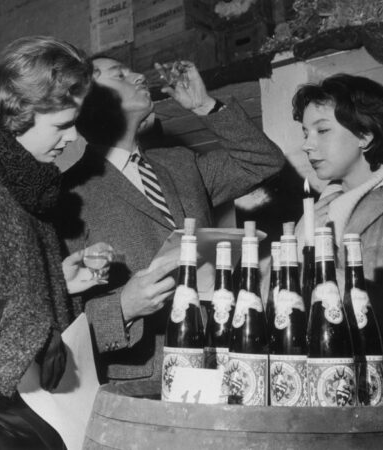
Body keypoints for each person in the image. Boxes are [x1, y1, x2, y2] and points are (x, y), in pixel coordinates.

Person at [59, 57, 286, 383]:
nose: (139, 75)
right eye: (120, 74)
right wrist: (124, 306)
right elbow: (63, 320)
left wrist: (204, 105)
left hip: (218, 363)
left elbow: (262, 161)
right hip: (141, 387)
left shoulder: (181, 164)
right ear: (87, 100)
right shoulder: (68, 196)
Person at [0, 35, 103, 449]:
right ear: (18, 111)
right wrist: (33, 332)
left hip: (33, 417)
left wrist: (60, 286)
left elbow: (2, 286)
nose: (72, 139)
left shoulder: (29, 185)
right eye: (62, 125)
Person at [293, 73, 383, 336]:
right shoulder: (321, 209)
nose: (307, 145)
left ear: (364, 135)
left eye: (322, 130)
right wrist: (297, 245)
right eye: (305, 133)